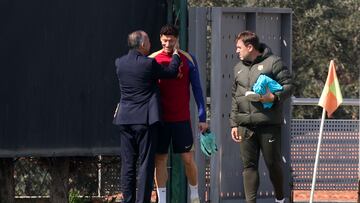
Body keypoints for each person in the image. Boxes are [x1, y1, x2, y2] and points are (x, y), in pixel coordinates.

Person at [113, 30, 181, 203]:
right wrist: (176, 55)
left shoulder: (119, 63)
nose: (151, 44)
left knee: (128, 165)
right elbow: (171, 72)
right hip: (145, 121)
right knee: (145, 164)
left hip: (125, 119)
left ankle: (127, 200)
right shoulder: (148, 64)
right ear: (142, 44)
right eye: (149, 41)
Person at [230, 31, 294, 203]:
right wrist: (234, 124)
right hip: (245, 126)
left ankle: (280, 199)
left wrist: (273, 97)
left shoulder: (273, 62)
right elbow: (235, 97)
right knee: (248, 167)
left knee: (273, 164)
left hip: (268, 125)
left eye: (239, 47)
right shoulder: (238, 68)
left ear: (250, 47)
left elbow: (289, 86)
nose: (237, 51)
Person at [149, 24, 208, 203]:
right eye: (165, 40)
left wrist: (202, 117)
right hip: (159, 120)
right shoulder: (152, 59)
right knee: (159, 159)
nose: (168, 44)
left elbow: (197, 89)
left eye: (172, 40)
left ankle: (195, 195)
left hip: (181, 118)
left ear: (177, 40)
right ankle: (162, 199)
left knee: (188, 159)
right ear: (160, 39)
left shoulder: (188, 59)